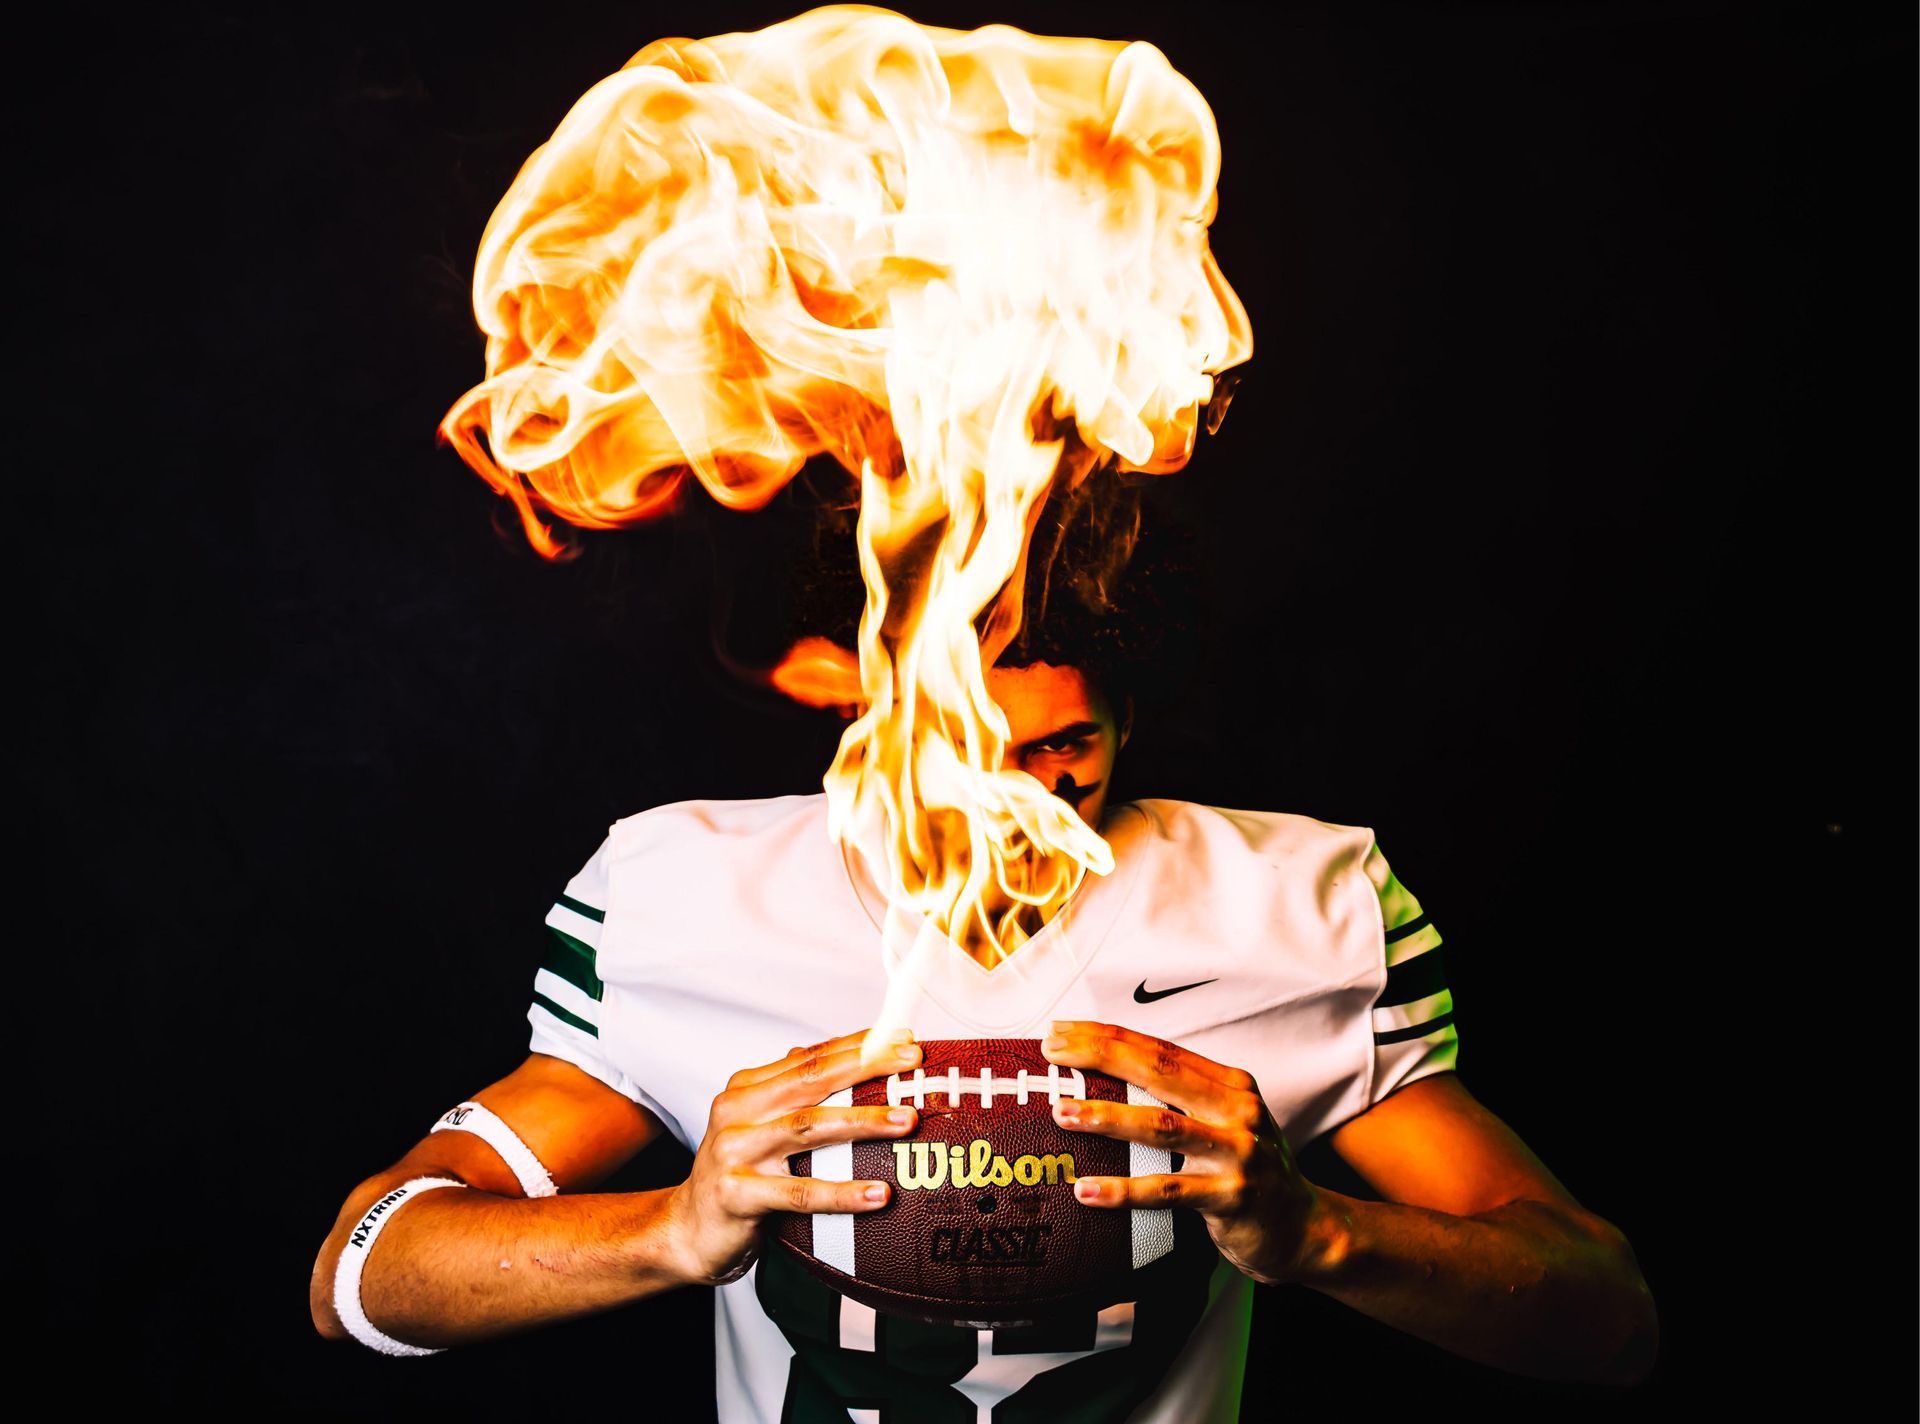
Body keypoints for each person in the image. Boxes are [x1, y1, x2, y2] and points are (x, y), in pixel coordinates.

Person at [309, 485, 1659, 1419]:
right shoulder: (692, 894)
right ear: (867, 725)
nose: (1011, 800)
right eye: (960, 759)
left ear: (1129, 718)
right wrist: (676, 1229)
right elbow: (365, 1272)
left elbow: (1603, 1318)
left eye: (1060, 750)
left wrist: (1315, 1231)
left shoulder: (1296, 905)